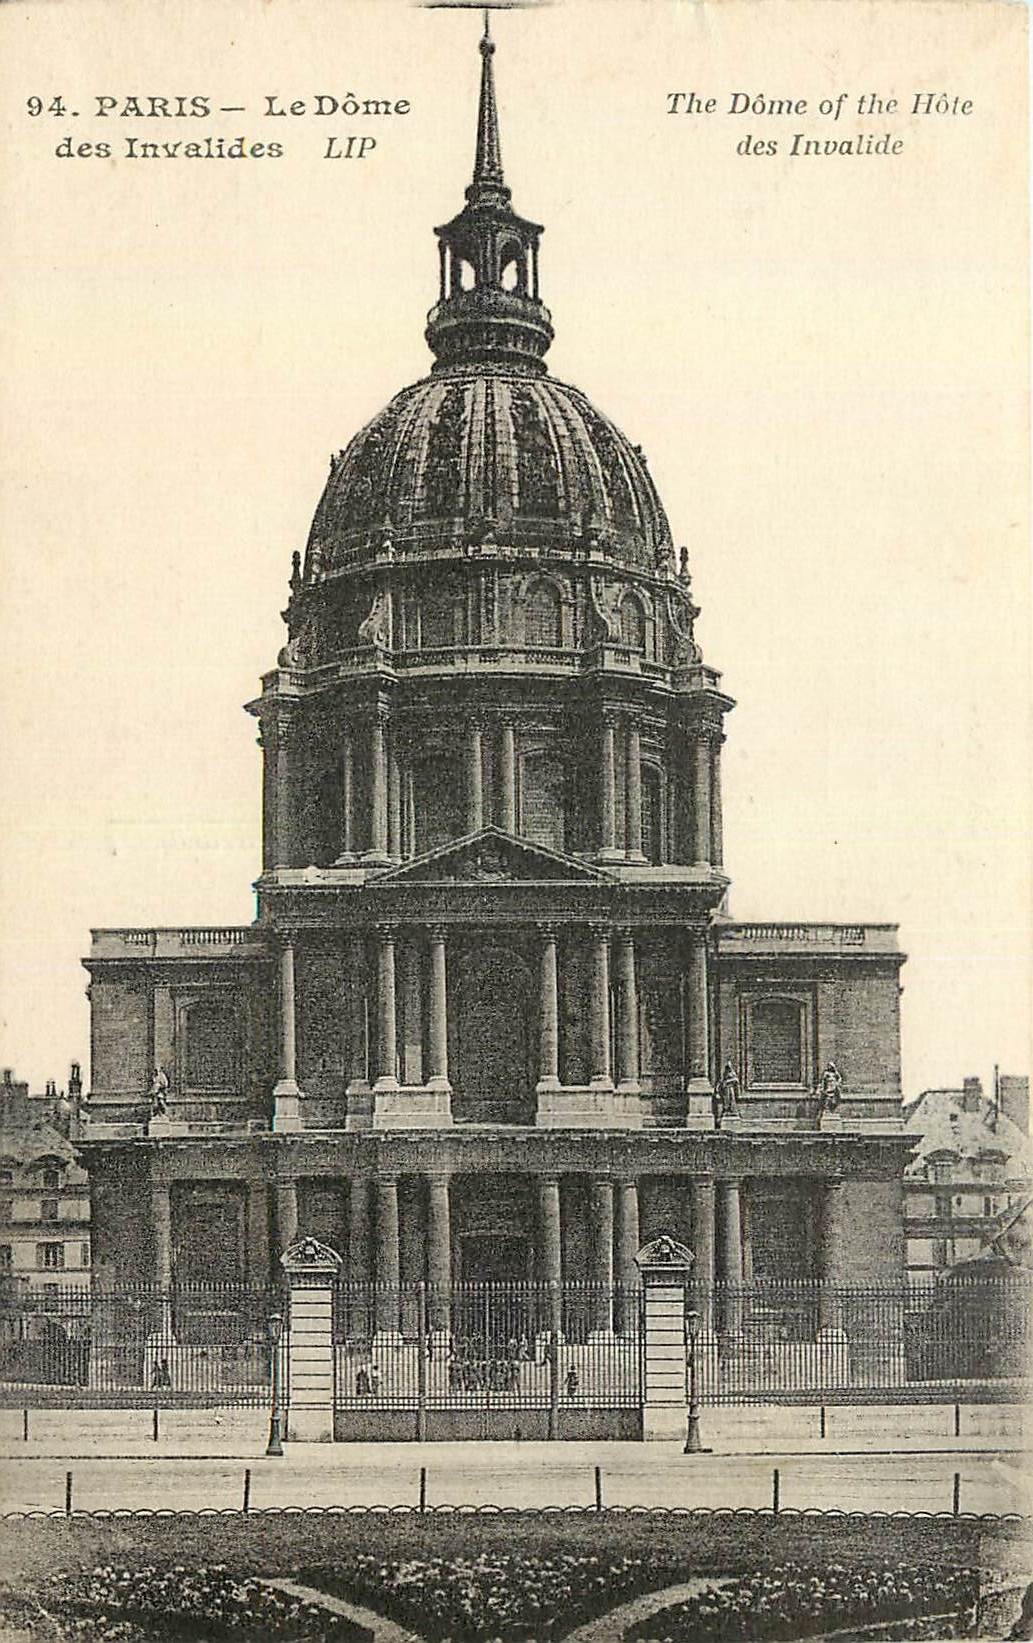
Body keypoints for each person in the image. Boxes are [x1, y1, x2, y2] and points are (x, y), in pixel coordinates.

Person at [815, 1062, 844, 1128]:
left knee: (833, 1098)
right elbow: (823, 1081)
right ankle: (827, 1109)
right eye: (829, 1066)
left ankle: (832, 1110)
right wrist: (821, 1088)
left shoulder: (835, 1073)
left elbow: (839, 1078)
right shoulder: (826, 1073)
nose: (829, 1067)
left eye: (830, 1066)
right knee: (828, 1097)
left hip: (834, 1086)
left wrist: (837, 1083)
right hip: (828, 1086)